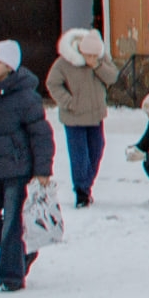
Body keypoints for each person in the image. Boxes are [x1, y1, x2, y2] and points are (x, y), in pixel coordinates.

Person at [0, 40, 54, 291]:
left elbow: (41, 135)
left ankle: (11, 277)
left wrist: (42, 170)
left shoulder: (26, 97)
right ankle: (19, 253)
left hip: (18, 170)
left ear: (10, 65)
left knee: (12, 223)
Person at [47, 27, 118, 208]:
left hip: (95, 115)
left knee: (97, 149)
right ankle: (81, 191)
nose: (91, 59)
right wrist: (69, 102)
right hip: (74, 118)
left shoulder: (100, 59)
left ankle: (86, 185)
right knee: (79, 155)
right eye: (89, 56)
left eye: (95, 56)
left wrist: (97, 66)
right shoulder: (64, 63)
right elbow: (53, 84)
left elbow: (112, 77)